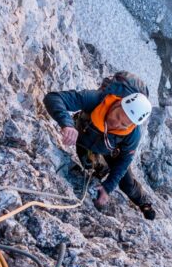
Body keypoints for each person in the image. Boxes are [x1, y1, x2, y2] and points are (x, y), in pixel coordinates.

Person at [43, 75, 156, 220]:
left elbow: (124, 161)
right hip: (85, 136)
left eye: (124, 125)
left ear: (132, 125)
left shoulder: (133, 134)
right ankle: (100, 168)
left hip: (111, 150)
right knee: (90, 166)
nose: (116, 124)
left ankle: (144, 203)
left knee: (126, 183)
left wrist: (108, 187)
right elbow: (53, 98)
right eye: (118, 116)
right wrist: (67, 124)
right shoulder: (97, 99)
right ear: (119, 103)